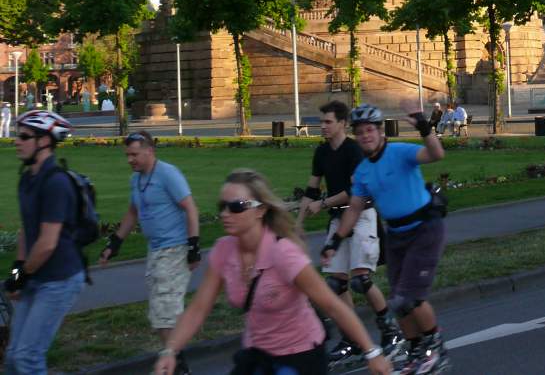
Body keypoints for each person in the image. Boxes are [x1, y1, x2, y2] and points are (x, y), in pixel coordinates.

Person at [153, 170, 391, 375]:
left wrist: (372, 351)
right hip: (257, 353)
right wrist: (170, 351)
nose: (225, 213)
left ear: (260, 210)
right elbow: (198, 309)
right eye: (222, 206)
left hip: (300, 355)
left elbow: (332, 305)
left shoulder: (283, 253)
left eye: (236, 206)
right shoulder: (224, 250)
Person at [325, 104, 448, 374]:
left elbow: (436, 154)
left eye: (370, 130)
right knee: (396, 301)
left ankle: (435, 348)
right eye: (360, 132)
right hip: (396, 235)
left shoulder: (399, 152)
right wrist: (335, 241)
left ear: (381, 132)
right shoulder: (363, 172)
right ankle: (416, 350)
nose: (366, 136)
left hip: (425, 228)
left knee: (411, 297)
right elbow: (354, 208)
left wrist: (424, 128)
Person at [297, 101, 401, 366]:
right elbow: (312, 188)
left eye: (328, 122)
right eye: (322, 122)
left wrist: (323, 203)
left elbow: (355, 192)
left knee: (360, 279)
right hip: (337, 217)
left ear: (342, 124)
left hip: (363, 215)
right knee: (335, 283)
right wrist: (298, 223)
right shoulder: (321, 152)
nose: (323, 127)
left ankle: (391, 330)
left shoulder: (354, 151)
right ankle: (352, 338)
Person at [98, 131, 202, 374]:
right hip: (155, 250)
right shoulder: (137, 179)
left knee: (165, 311)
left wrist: (193, 246)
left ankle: (176, 365)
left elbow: (190, 208)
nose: (130, 160)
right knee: (159, 313)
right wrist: (114, 244)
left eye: (134, 154)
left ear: (149, 151)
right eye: (127, 155)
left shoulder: (168, 174)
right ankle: (176, 362)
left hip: (175, 249)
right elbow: (133, 212)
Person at [4, 111, 86, 374]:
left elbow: (47, 243)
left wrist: (21, 278)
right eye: (18, 135)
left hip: (59, 279)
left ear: (45, 142)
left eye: (25, 136)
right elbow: (27, 233)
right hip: (37, 275)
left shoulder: (56, 183)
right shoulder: (28, 179)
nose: (18, 141)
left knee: (28, 356)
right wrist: (18, 275)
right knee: (15, 355)